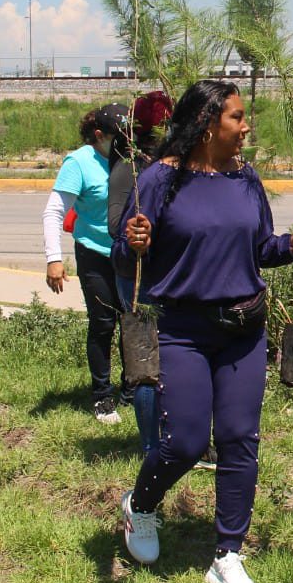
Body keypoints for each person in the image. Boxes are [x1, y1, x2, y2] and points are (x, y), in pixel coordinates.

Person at [115, 80, 293, 583]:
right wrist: (132, 242)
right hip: (183, 331)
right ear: (208, 124)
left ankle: (227, 554)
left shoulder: (246, 178)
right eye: (236, 117)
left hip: (244, 332)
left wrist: (292, 245)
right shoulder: (161, 181)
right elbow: (126, 261)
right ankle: (139, 507)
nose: (246, 126)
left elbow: (260, 249)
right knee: (184, 442)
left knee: (239, 441)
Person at [41, 105, 124, 425]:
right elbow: (54, 212)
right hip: (94, 254)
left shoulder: (129, 159)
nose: (127, 142)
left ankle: (131, 389)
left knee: (133, 320)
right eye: (119, 136)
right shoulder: (79, 163)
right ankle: (102, 396)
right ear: (99, 136)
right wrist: (54, 259)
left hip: (129, 255)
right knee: (103, 323)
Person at [109, 91, 170, 452]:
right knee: (147, 368)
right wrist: (142, 234)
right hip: (137, 278)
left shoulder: (168, 166)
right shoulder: (129, 167)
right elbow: (115, 223)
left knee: (170, 364)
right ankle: (151, 447)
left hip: (169, 278)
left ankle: (172, 437)